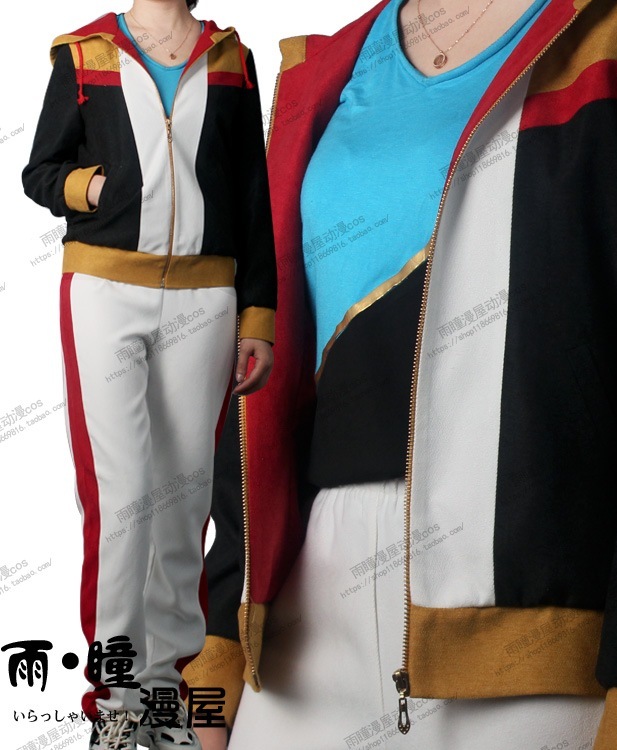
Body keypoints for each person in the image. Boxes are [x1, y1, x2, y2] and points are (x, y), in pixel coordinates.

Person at [185, 0, 617, 748]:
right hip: (300, 635)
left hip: (539, 652)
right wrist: (215, 657)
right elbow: (261, 387)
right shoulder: (325, 69)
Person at [21, 0, 276, 748]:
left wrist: (257, 318)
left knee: (185, 499)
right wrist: (95, 190)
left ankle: (164, 696)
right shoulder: (84, 52)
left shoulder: (232, 59)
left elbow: (252, 195)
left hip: (207, 298)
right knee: (123, 495)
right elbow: (41, 172)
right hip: (106, 291)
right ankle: (116, 703)